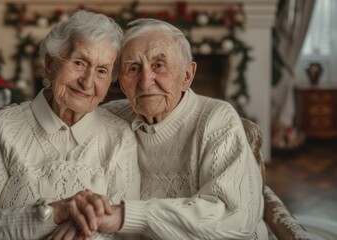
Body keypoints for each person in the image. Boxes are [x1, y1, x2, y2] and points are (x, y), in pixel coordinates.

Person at [53, 18, 268, 239]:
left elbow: (234, 217)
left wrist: (125, 216)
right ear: (121, 82)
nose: (145, 82)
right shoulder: (112, 118)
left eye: (159, 65)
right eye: (133, 68)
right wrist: (82, 219)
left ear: (187, 75)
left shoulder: (216, 119)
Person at [0, 10, 140, 240]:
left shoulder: (119, 136)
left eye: (102, 71)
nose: (88, 82)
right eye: (79, 62)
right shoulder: (5, 127)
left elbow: (126, 234)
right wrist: (54, 213)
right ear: (50, 64)